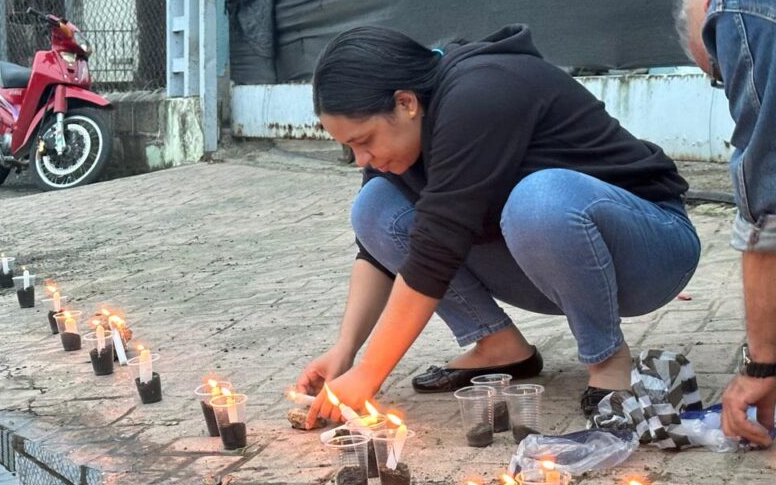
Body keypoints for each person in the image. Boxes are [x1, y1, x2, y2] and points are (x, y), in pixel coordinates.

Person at [296, 25, 701, 428]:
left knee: (538, 200)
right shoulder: (404, 137)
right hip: (553, 265)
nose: (362, 158)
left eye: (364, 140)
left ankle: (608, 358)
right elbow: (378, 252)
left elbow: (436, 248)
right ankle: (498, 345)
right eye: (350, 147)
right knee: (375, 205)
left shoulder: (480, 91)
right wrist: (346, 350)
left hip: (651, 250)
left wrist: (370, 373)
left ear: (405, 103)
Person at [676, 0, 776, 447]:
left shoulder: (747, 1)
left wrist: (762, 363)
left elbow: (769, 207)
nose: (729, 80)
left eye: (719, 69)